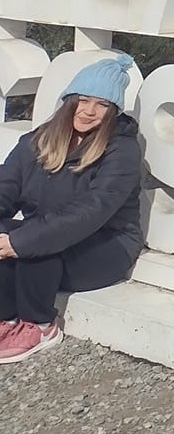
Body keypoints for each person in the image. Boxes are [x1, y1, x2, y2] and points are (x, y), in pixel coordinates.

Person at [0, 54, 144, 364]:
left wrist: (21, 241)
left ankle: (40, 325)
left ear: (113, 112)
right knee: (13, 233)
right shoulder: (36, 140)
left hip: (107, 245)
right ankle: (6, 318)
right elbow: (5, 188)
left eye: (102, 105)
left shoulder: (122, 150)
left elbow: (92, 211)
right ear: (70, 101)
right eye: (84, 100)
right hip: (53, 233)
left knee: (35, 243)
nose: (90, 111)